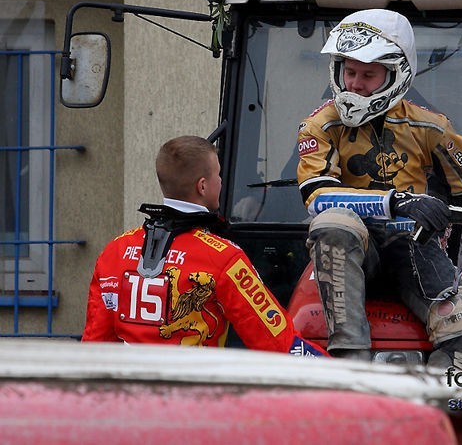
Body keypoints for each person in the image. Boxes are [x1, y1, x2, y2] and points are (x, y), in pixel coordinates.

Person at [296, 9, 462, 369]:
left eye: (368, 74)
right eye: (349, 72)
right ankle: (352, 364)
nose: (354, 84)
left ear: (396, 74)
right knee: (333, 223)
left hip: (411, 245)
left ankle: (440, 408)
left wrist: (454, 256)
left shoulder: (431, 126)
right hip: (355, 250)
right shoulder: (319, 125)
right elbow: (317, 197)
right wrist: (397, 201)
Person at [83, 135, 326, 357]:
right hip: (195, 398)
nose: (221, 182)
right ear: (202, 186)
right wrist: (338, 371)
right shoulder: (223, 256)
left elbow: (95, 346)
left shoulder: (114, 251)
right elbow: (279, 344)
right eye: (218, 175)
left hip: (128, 398)